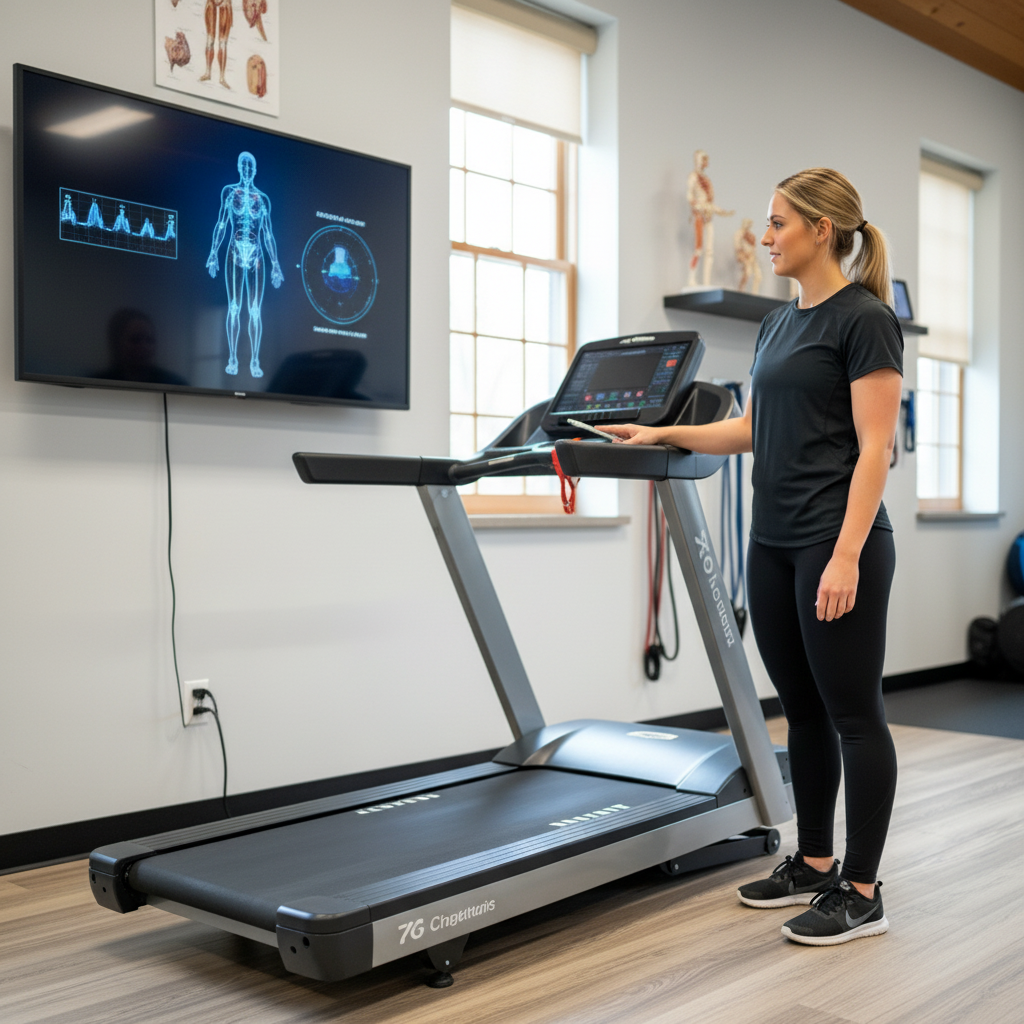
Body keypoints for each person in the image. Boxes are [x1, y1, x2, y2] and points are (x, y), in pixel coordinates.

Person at [600, 168, 903, 946]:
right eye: (768, 225)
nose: (766, 237)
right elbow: (750, 431)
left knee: (854, 714)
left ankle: (862, 892)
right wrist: (663, 433)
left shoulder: (865, 319)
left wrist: (847, 558)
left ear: (821, 231)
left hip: (835, 545)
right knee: (800, 711)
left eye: (777, 224)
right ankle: (812, 859)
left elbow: (877, 451)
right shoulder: (777, 324)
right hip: (771, 544)